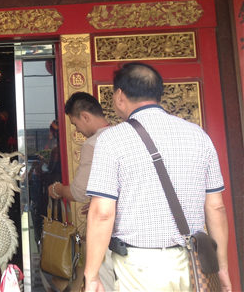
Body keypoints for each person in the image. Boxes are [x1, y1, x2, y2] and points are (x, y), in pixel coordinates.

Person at [84, 62, 231, 292]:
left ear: (120, 96)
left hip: (140, 267)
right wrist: (222, 267)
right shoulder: (199, 136)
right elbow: (216, 207)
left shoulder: (112, 140)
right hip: (195, 264)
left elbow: (103, 213)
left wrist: (91, 275)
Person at [47, 92, 113, 291]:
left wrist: (57, 189)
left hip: (110, 233)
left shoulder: (94, 143)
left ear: (85, 116)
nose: (77, 130)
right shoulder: (126, 136)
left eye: (75, 124)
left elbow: (79, 192)